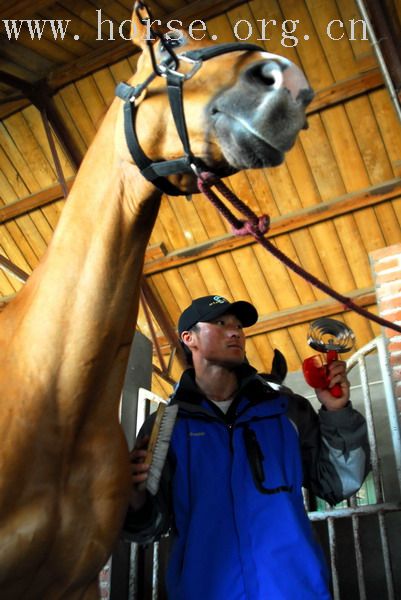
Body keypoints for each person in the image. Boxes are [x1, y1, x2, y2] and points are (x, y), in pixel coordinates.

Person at [123, 295, 370, 600]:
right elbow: (148, 529)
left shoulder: (287, 411)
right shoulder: (165, 426)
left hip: (295, 590)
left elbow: (340, 483)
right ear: (189, 339)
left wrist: (337, 412)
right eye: (220, 323)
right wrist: (133, 496)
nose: (235, 331)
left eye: (239, 325)